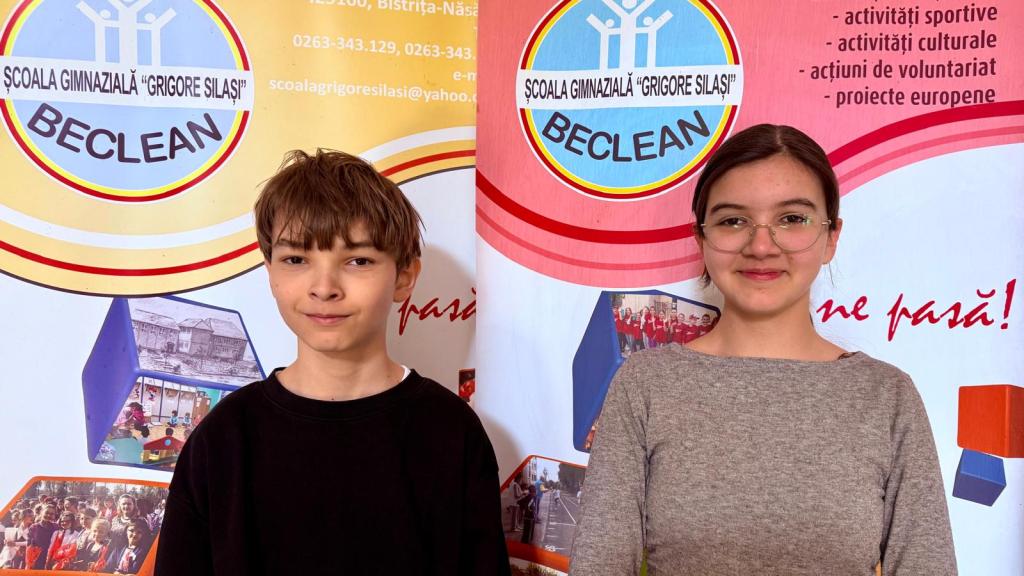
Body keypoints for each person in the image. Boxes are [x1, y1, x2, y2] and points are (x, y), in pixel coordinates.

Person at [571, 124, 957, 575]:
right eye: (733, 220)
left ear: (832, 237)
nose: (760, 246)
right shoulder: (646, 385)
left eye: (792, 219)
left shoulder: (887, 396)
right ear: (701, 238)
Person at [155, 149, 509, 575]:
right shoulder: (223, 438)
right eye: (296, 259)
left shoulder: (451, 431)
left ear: (404, 277)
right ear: (270, 272)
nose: (324, 288)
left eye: (358, 261)